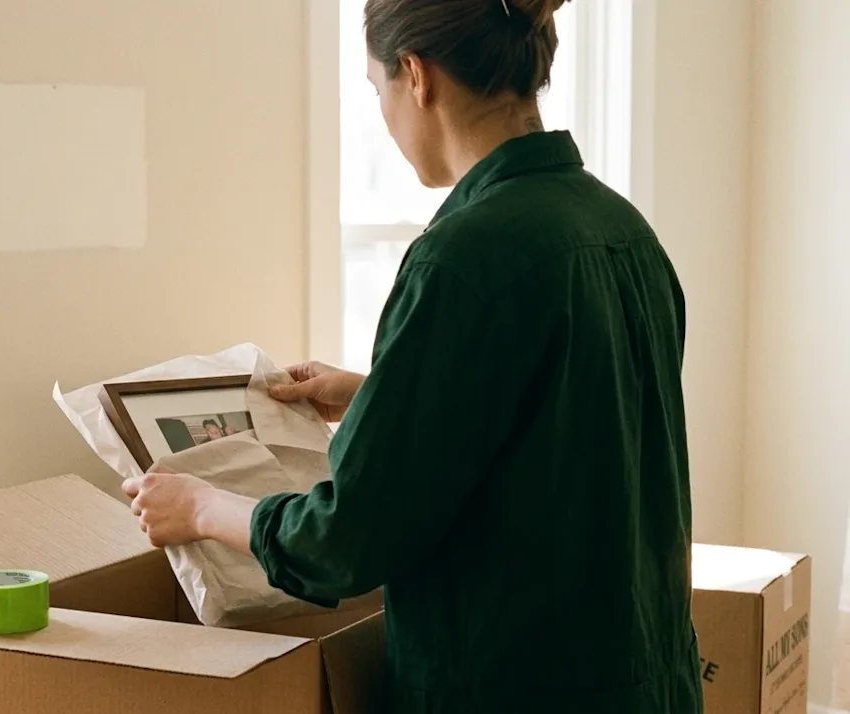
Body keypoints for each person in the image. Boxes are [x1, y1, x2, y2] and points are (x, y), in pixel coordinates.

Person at [124, 0, 702, 711]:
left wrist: (204, 506)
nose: (385, 117)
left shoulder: (461, 257)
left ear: (416, 76)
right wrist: (377, 392)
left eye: (376, 90)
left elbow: (347, 540)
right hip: (646, 680)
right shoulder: (621, 229)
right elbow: (570, 424)